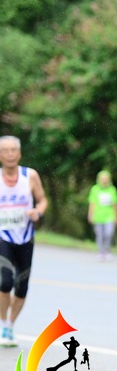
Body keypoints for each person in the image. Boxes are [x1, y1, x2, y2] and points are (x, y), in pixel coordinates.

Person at [0, 135, 47, 347]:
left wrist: (38, 211)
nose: (10, 154)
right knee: (5, 282)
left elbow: (42, 200)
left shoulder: (30, 176)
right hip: (3, 236)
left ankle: (11, 325)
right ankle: (3, 325)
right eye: (5, 150)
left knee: (21, 286)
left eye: (13, 150)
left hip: (26, 237)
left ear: (19, 153)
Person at [87, 170, 117, 261]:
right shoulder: (95, 189)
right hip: (98, 216)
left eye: (106, 179)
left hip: (109, 215)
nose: (104, 180)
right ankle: (101, 252)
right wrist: (90, 215)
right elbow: (92, 203)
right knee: (100, 235)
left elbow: (115, 204)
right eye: (103, 178)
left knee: (109, 233)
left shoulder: (112, 189)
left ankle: (107, 250)